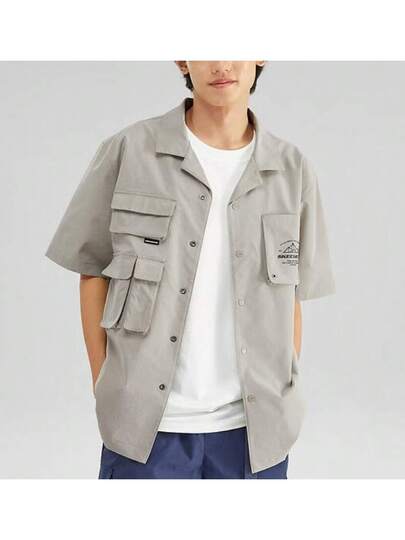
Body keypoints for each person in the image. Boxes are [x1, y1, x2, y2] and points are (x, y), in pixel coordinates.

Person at [45, 61, 336, 479]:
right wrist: (104, 384)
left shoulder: (292, 170)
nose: (221, 64)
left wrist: (281, 395)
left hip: (254, 437)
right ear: (182, 59)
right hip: (145, 432)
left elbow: (289, 297)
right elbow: (91, 269)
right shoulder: (129, 151)